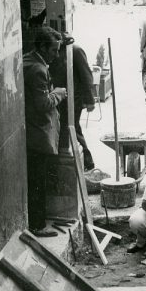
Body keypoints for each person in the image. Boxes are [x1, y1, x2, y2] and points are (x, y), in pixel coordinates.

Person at [23, 26, 67, 237]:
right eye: (53, 50)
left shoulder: (31, 60)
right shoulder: (38, 69)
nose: (56, 55)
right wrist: (58, 93)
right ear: (41, 47)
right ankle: (37, 225)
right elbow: (43, 103)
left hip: (34, 130)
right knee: (38, 181)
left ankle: (37, 222)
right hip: (37, 132)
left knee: (37, 179)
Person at [49, 33, 97, 171]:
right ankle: (87, 162)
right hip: (59, 97)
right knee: (72, 127)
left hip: (74, 99)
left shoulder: (75, 51)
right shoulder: (56, 54)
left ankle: (87, 161)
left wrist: (90, 100)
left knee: (72, 127)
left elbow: (86, 75)